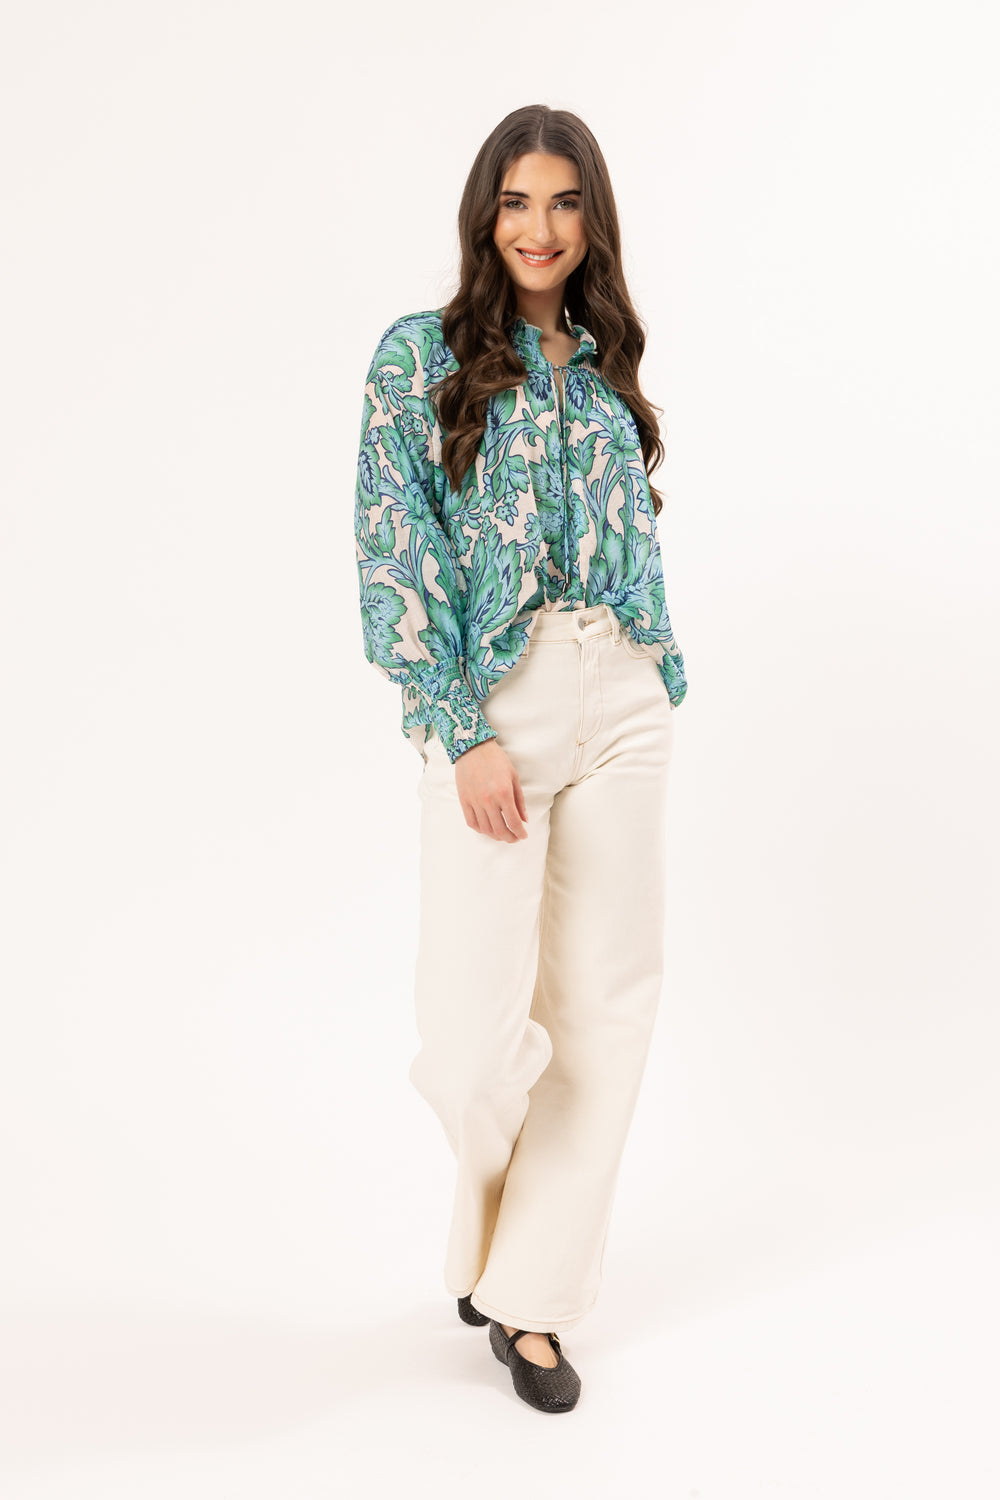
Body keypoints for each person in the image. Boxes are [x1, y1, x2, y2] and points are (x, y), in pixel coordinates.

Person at [354, 103, 687, 1414]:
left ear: (591, 218)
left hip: (624, 696)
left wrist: (654, 671)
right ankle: (495, 1249)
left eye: (563, 201)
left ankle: (532, 1301)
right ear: (484, 215)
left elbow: (632, 539)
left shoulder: (606, 371)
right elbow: (394, 552)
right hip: (498, 703)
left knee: (604, 1012)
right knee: (471, 1037)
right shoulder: (420, 357)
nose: (539, 228)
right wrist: (463, 727)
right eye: (515, 201)